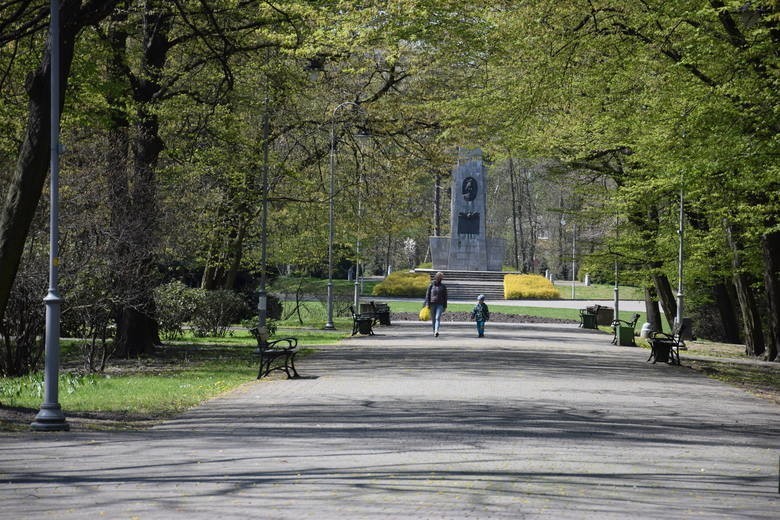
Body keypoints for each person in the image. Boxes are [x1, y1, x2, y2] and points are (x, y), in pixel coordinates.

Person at [424, 271, 448, 337]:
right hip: (432, 304)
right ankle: (434, 331)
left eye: (441, 278)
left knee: (437, 318)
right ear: (436, 277)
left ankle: (436, 331)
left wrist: (445, 306)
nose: (440, 279)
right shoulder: (431, 285)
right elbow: (427, 295)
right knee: (433, 319)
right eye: (439, 277)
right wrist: (427, 304)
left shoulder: (443, 287)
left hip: (440, 304)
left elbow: (445, 297)